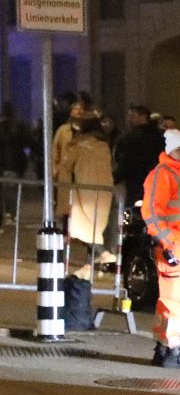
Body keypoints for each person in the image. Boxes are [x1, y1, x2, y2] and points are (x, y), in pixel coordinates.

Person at [141, 129, 180, 369]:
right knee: (174, 302)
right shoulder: (164, 174)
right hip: (175, 246)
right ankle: (172, 349)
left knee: (170, 300)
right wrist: (168, 242)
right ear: (169, 151)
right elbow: (151, 211)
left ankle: (163, 349)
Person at [56, 109, 116, 276]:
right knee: (94, 228)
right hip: (103, 192)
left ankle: (103, 254)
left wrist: (62, 195)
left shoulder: (78, 147)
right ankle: (88, 267)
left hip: (82, 193)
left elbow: (65, 169)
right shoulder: (103, 146)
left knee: (78, 228)